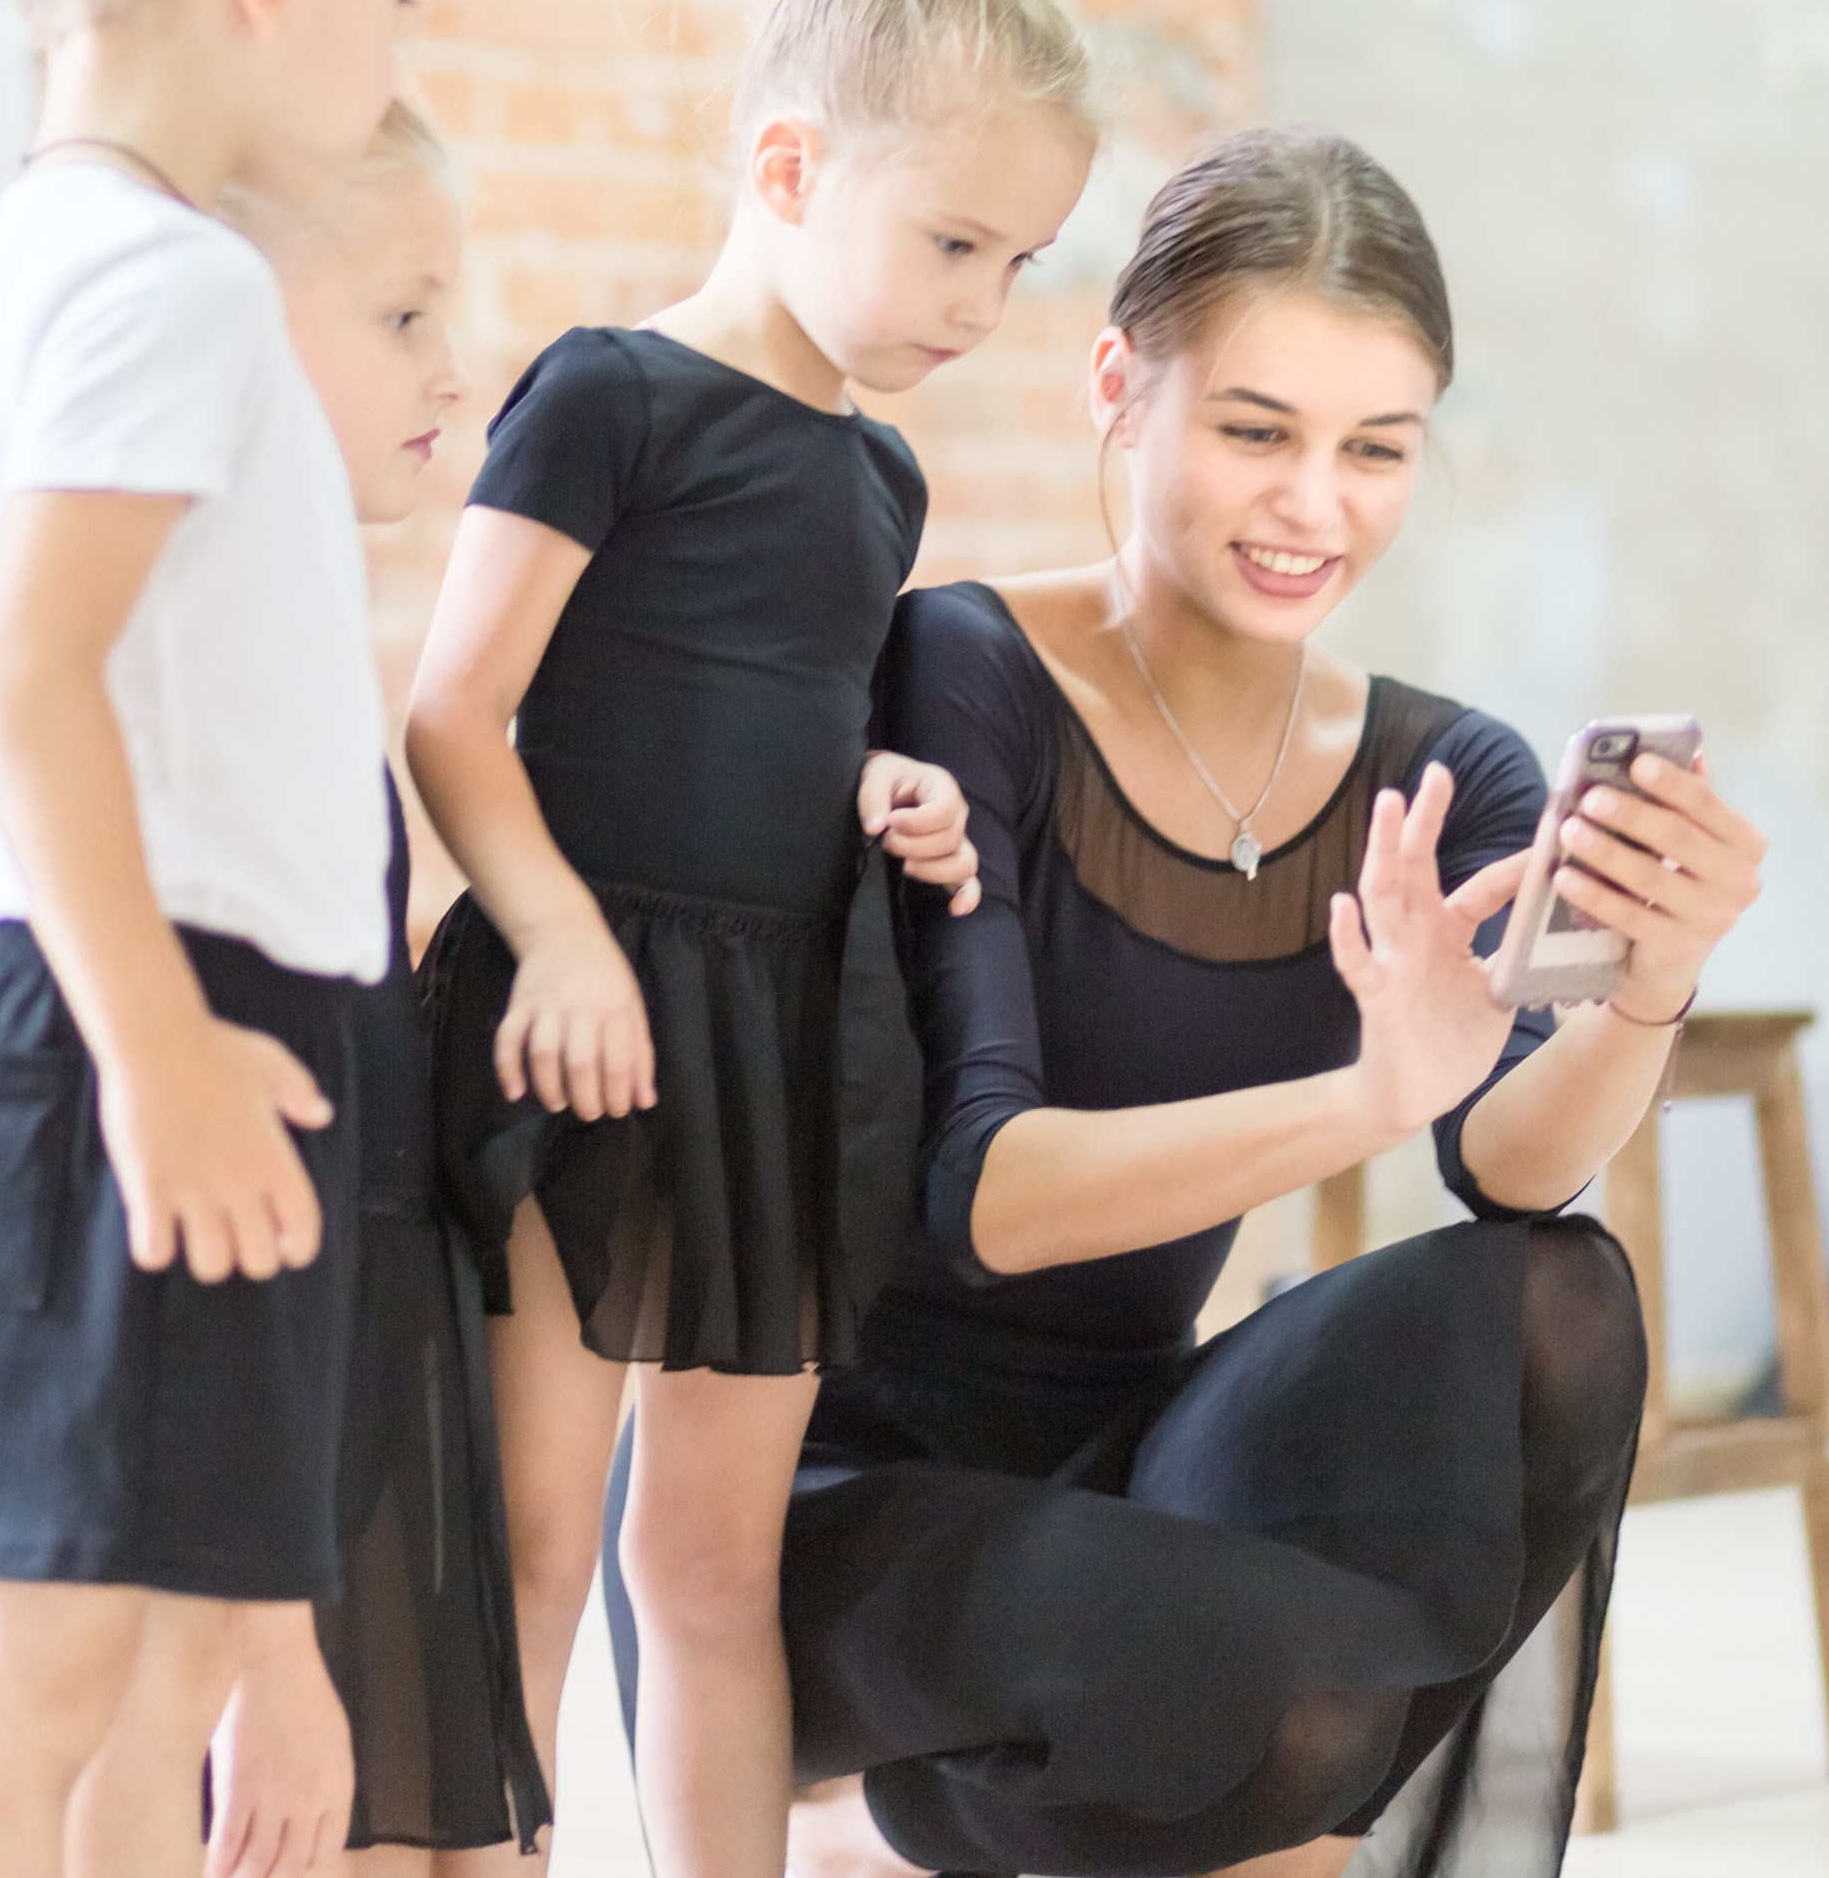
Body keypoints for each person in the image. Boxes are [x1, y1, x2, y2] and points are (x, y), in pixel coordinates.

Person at [602, 128, 1770, 1877]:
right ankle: (933, 1785)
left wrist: (1648, 993)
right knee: (1277, 1682)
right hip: (843, 1496)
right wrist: (1361, 1098)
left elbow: (1511, 1168)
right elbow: (984, 1193)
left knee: (1554, 1303)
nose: (1316, 505)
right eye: (1256, 431)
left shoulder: (1449, 763)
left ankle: (1085, 1799)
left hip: (1137, 1458)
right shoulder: (967, 669)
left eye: (1378, 449)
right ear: (1119, 390)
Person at [405, 0, 1102, 1878]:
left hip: (776, 1044)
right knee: (534, 1538)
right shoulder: (602, 398)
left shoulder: (877, 474)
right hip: (584, 1024)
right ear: (788, 170)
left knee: (707, 1559)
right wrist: (554, 943)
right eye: (951, 244)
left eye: (1015, 265)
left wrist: (886, 799)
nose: (979, 306)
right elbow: (455, 713)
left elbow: (795, 725)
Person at [0, 0, 470, 1878]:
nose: (396, 45)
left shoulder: (75, 256)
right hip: (149, 1016)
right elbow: (26, 677)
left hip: (204, 1011)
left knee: (145, 1669)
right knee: (35, 1675)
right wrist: (155, 1049)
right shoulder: (170, 281)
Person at [45, 98, 551, 1878]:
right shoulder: (213, 693)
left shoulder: (302, 628)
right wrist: (275, 1637)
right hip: (263, 1330)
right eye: (404, 315)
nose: (457, 368)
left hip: (360, 1305)